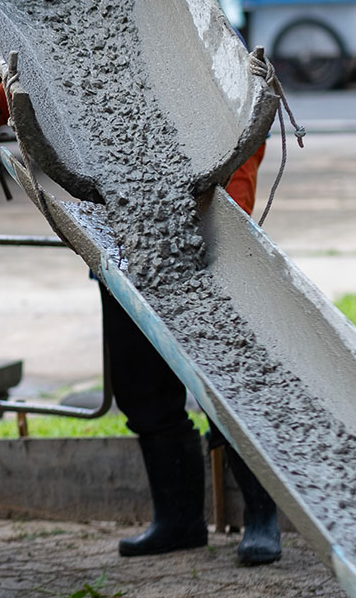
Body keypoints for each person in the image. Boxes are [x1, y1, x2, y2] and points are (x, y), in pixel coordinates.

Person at [104, 143, 281, 565]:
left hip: (209, 212)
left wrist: (228, 216)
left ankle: (261, 516)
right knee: (139, 383)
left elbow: (243, 106)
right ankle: (178, 519)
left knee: (222, 376)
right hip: (120, 216)